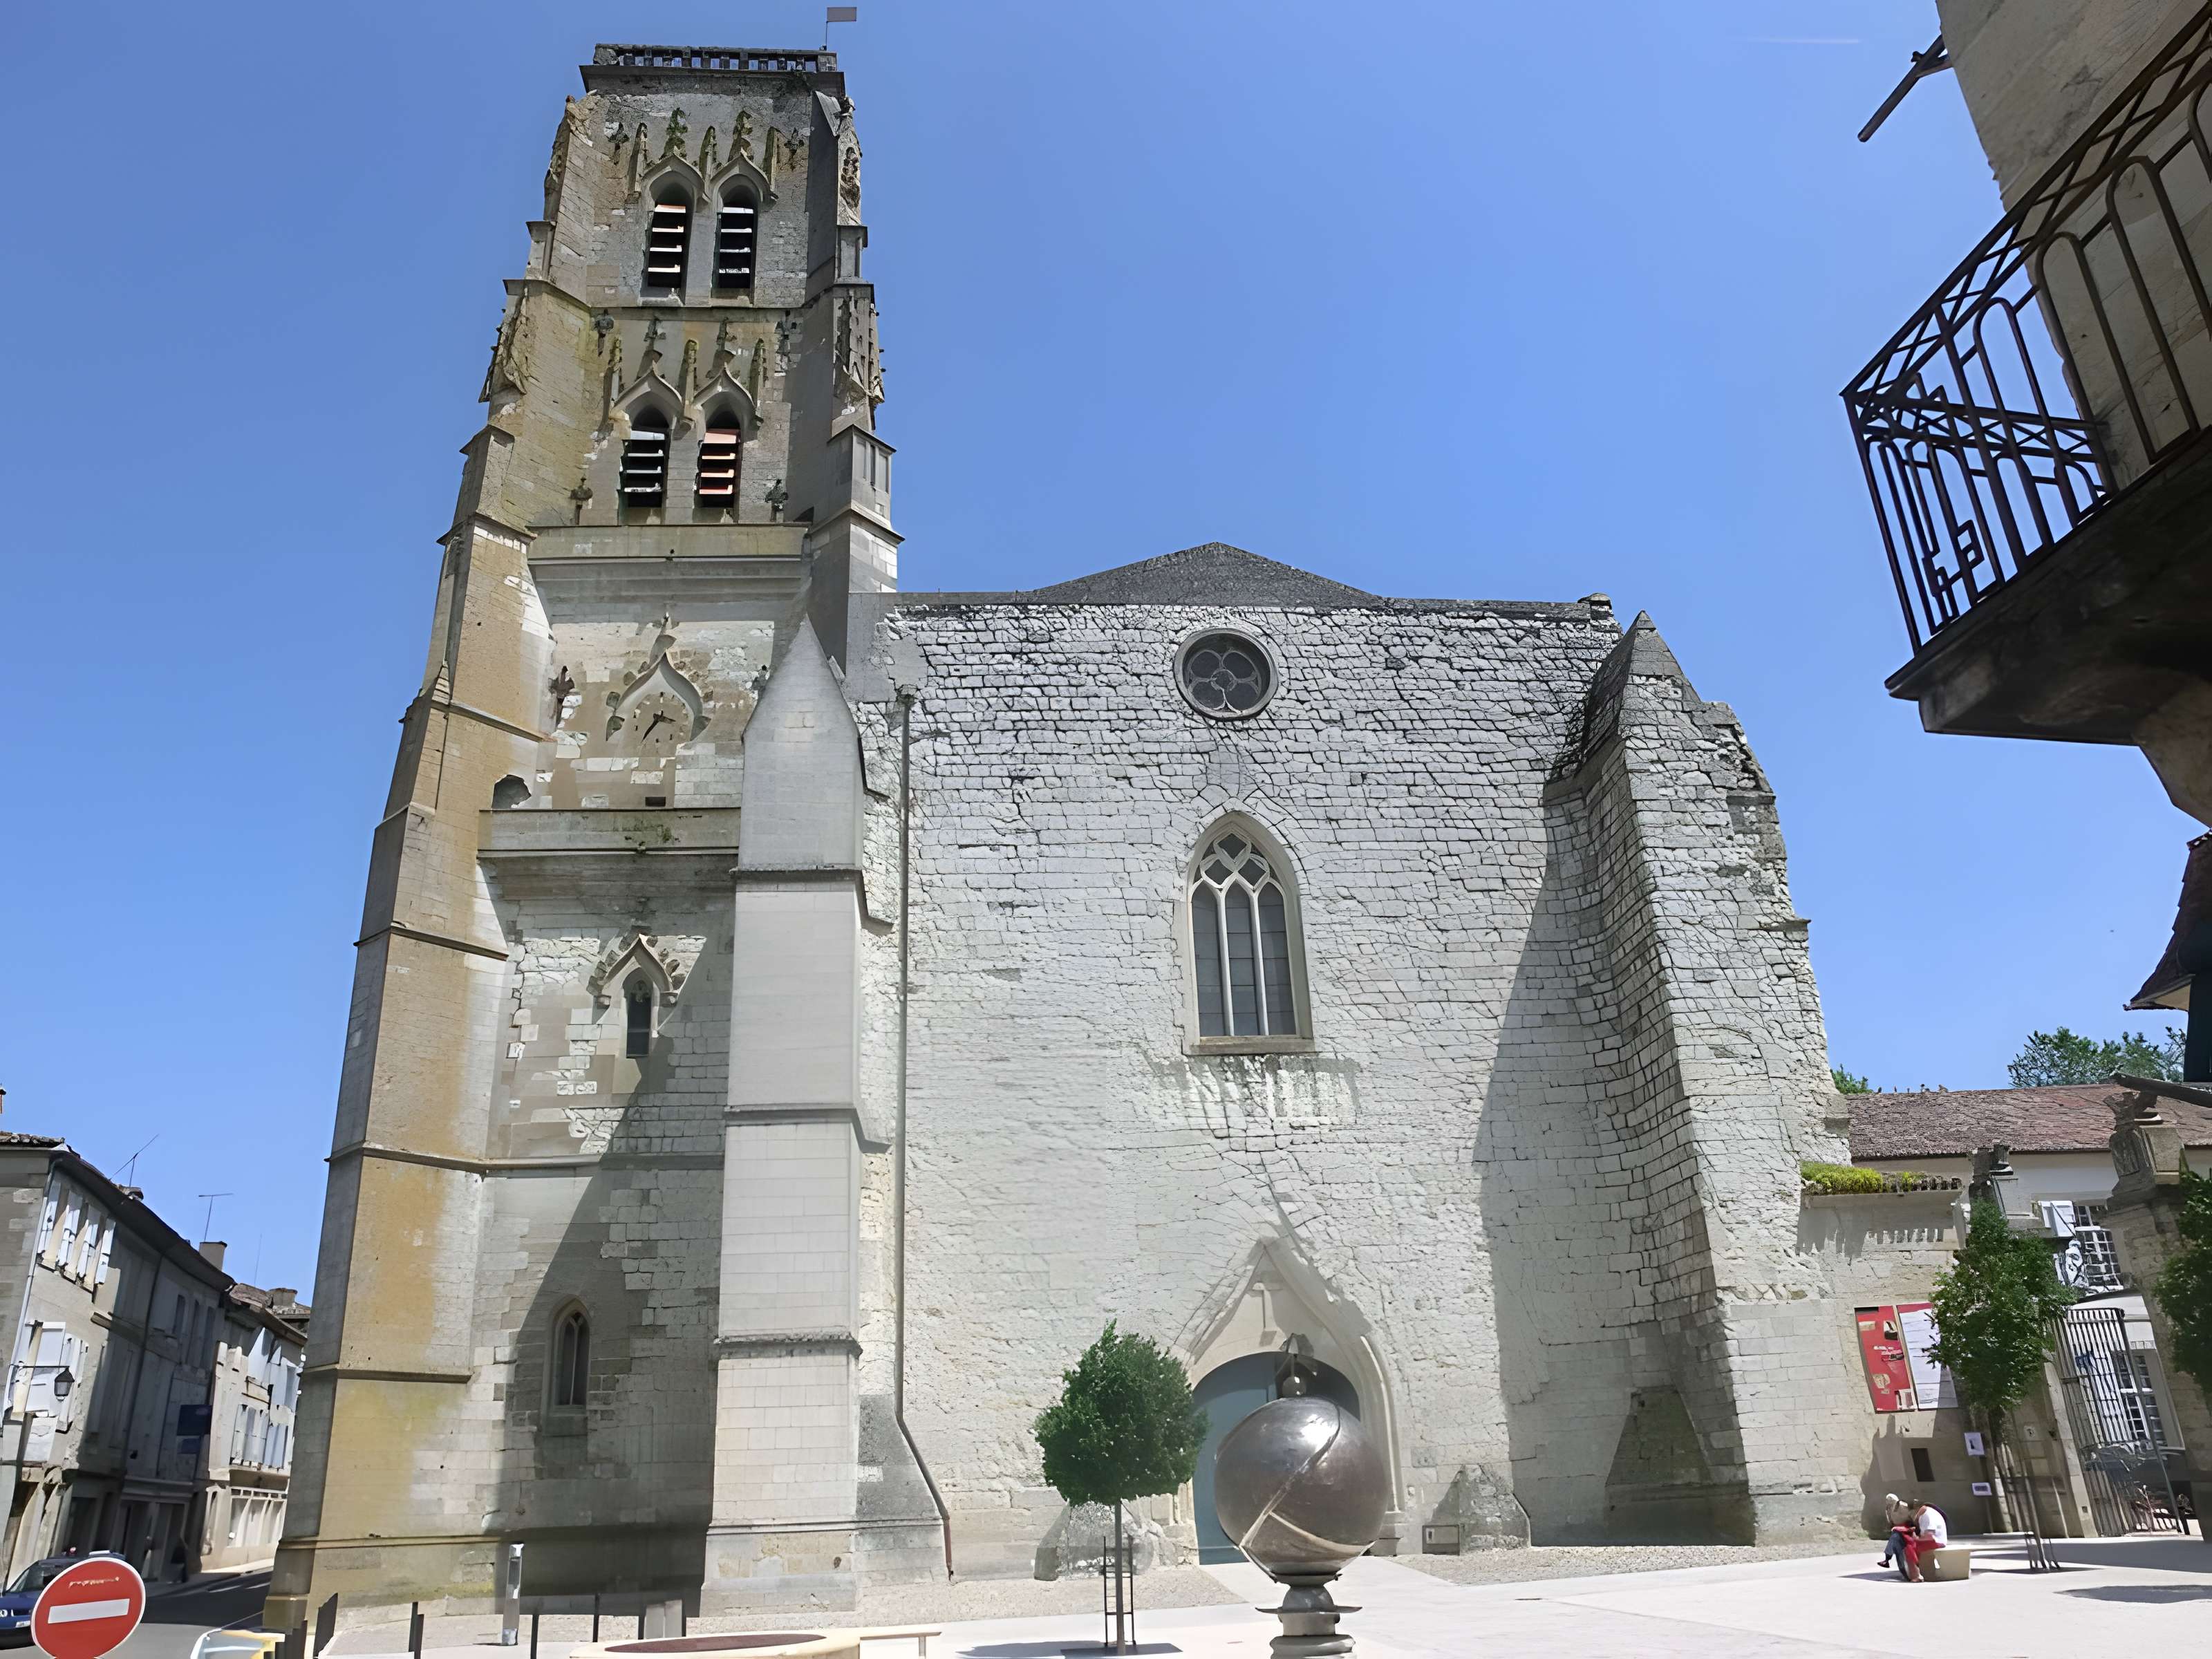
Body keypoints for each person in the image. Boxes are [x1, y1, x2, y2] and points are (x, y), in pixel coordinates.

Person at [1902, 1498, 1949, 1581]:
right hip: (1936, 1540)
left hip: (1936, 1541)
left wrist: (1915, 1538)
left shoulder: (1926, 1514)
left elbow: (1929, 1536)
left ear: (1915, 1510)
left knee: (1909, 1547)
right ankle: (1919, 1572)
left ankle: (1916, 1575)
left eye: (1910, 1515)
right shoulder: (1927, 1512)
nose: (1911, 1518)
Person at [1877, 1494, 1913, 1575]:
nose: (1887, 1502)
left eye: (1888, 1500)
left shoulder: (1901, 1505)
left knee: (1894, 1539)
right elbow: (1891, 1519)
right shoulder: (1889, 1508)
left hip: (1905, 1527)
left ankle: (1888, 1560)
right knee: (1895, 1541)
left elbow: (1907, 1516)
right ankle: (1888, 1560)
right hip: (1897, 1528)